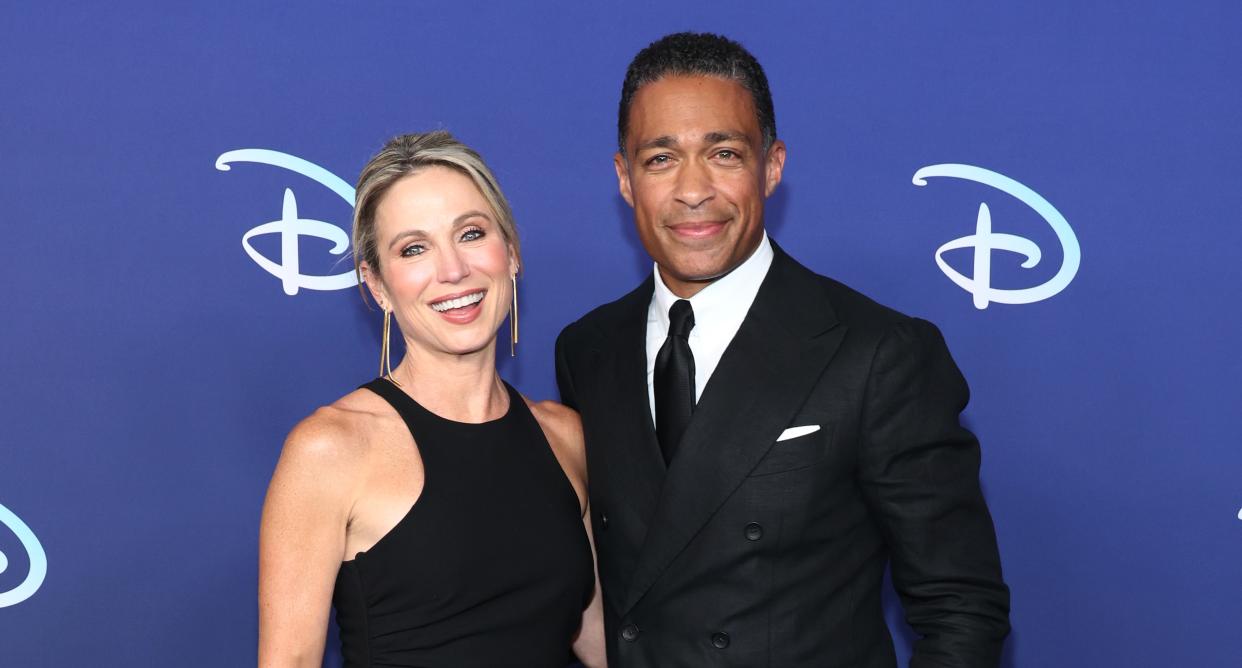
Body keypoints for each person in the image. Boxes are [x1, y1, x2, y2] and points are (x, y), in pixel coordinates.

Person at [555, 32, 1010, 667]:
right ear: (624, 177)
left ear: (772, 165)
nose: (693, 190)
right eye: (661, 158)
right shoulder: (588, 350)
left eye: (724, 154)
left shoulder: (879, 353)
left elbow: (960, 607)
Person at [259, 131, 605, 668]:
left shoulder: (566, 437)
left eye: (470, 233)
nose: (451, 270)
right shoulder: (330, 449)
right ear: (376, 286)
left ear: (510, 252)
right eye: (414, 248)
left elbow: (599, 638)